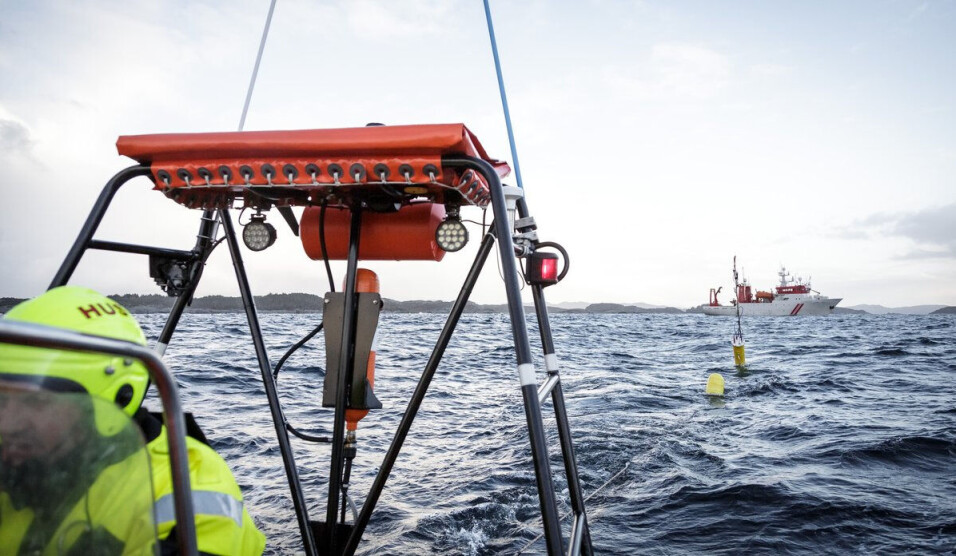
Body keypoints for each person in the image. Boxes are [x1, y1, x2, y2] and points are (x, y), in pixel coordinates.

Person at [0, 286, 266, 555]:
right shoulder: (22, 459)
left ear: (117, 399)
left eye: (35, 402)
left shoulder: (189, 491)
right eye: (1, 400)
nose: (6, 422)